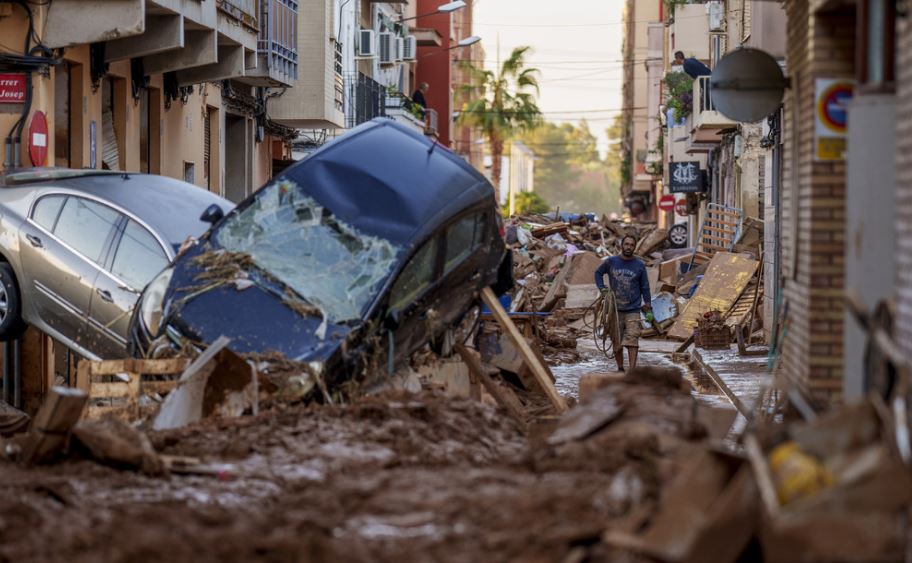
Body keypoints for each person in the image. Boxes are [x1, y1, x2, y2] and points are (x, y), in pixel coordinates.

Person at [594, 235, 652, 371]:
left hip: (633, 309)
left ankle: (632, 371)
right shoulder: (611, 262)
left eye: (632, 245)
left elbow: (645, 286)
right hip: (615, 309)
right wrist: (602, 288)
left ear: (635, 247)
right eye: (626, 244)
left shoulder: (639, 265)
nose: (628, 247)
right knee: (616, 342)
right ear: (621, 245)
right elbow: (598, 273)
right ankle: (620, 368)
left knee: (632, 340)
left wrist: (648, 304)